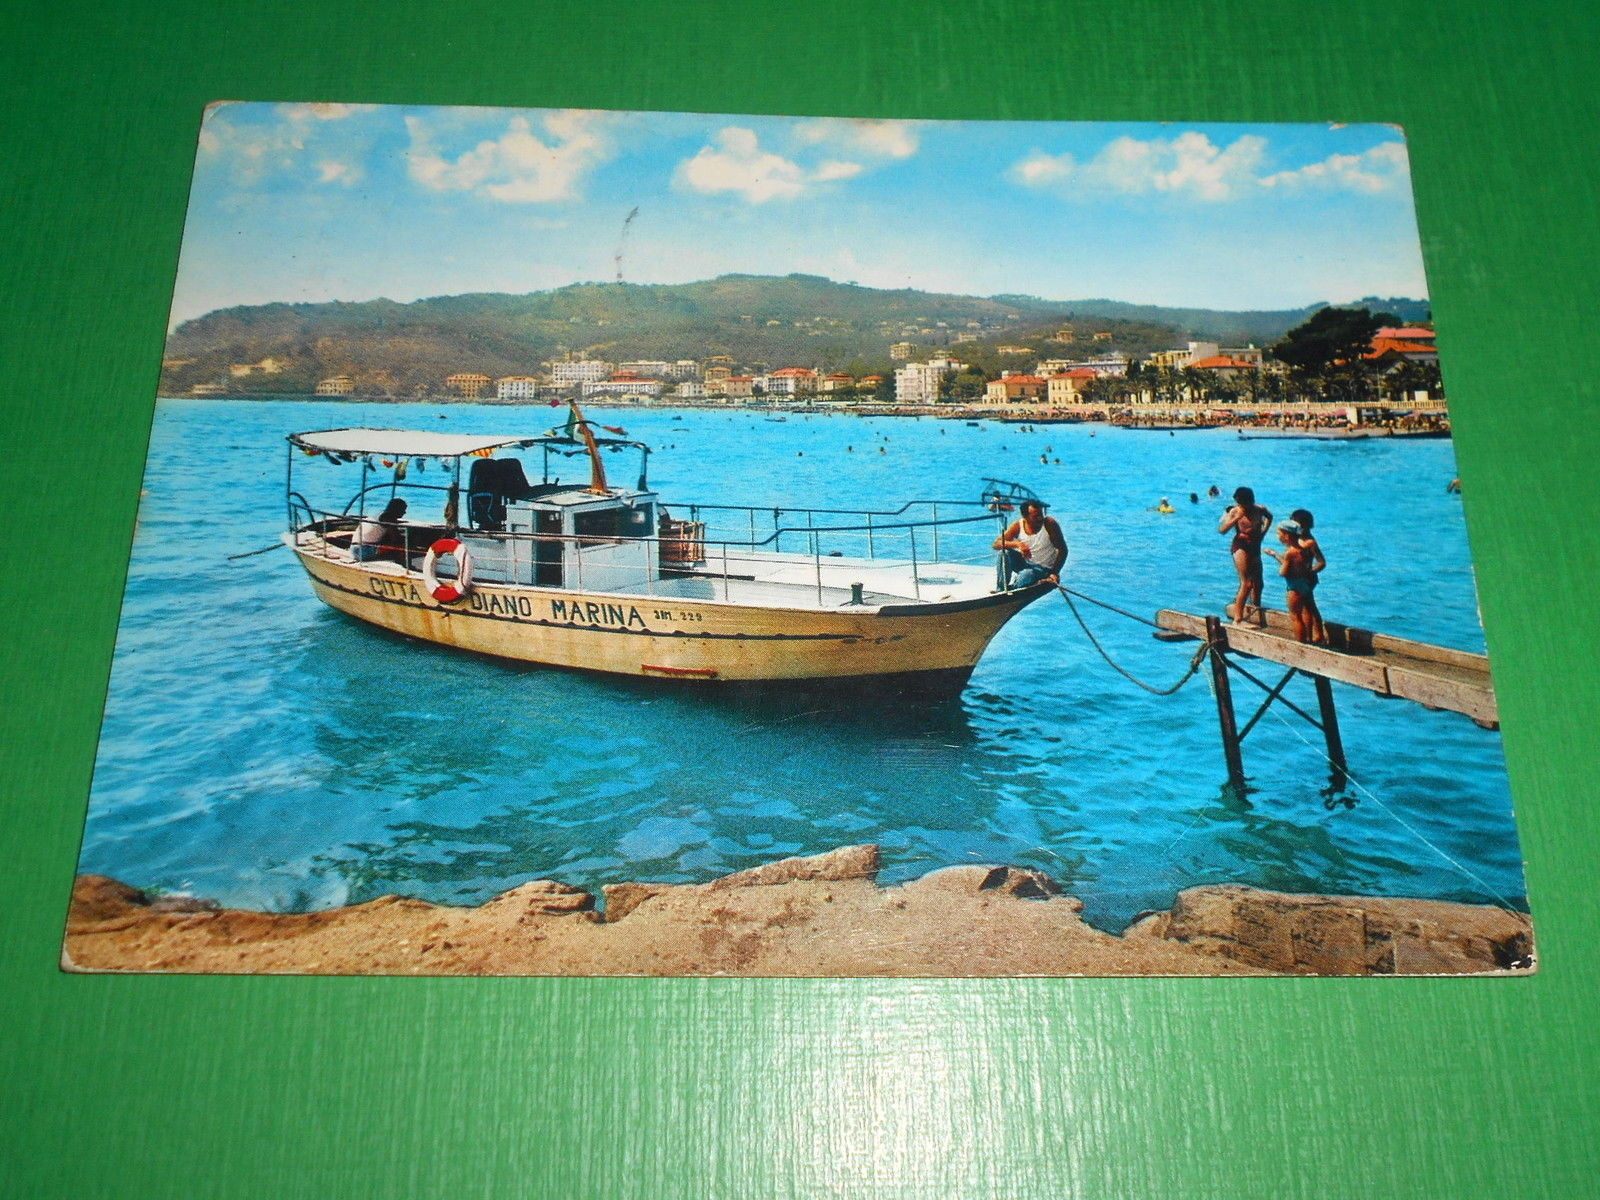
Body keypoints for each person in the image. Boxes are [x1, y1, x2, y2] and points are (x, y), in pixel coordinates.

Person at [1219, 486, 1272, 626]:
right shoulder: (1235, 511)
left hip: (1255, 545)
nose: (1244, 506)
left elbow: (1270, 517)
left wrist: (1263, 533)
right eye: (1241, 503)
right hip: (1240, 546)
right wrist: (1236, 518)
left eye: (1246, 503)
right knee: (1247, 583)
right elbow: (1222, 530)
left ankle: (1255, 610)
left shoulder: (1259, 509)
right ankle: (1237, 618)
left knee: (1258, 584)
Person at [994, 499, 1067, 588]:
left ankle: (1013, 589)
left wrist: (1054, 573)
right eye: (1036, 516)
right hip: (1025, 563)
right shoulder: (1018, 525)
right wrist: (1018, 544)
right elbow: (996, 544)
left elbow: (1063, 550)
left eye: (1041, 515)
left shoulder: (1049, 524)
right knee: (1003, 553)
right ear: (1025, 517)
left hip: (1043, 569)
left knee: (1027, 574)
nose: (1040, 518)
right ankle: (1001, 588)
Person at [1265, 521, 1316, 643]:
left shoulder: (1289, 553)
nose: (1278, 536)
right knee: (1306, 610)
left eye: (1279, 534)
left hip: (1294, 587)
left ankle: (1301, 643)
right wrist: (1275, 555)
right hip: (1305, 584)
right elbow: (1295, 566)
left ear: (1286, 536)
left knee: (1295, 616)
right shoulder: (1304, 549)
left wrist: (1280, 569)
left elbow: (1283, 572)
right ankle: (1308, 638)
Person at [1289, 507, 1327, 643]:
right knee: (1309, 606)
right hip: (1300, 579)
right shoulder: (1297, 538)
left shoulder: (1310, 541)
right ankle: (1314, 635)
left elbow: (1322, 562)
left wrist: (1310, 572)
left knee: (1309, 608)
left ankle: (1314, 636)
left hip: (1308, 579)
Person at [352, 498, 406, 562]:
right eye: (403, 510)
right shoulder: (388, 517)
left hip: (354, 548)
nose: (405, 512)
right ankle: (404, 563)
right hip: (363, 550)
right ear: (397, 509)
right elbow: (396, 538)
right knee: (400, 546)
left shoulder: (380, 514)